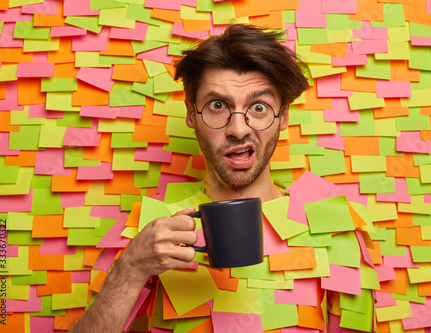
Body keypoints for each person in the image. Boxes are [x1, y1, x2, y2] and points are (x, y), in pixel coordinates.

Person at [70, 24, 372, 333]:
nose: (239, 129)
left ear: (283, 117)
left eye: (259, 107)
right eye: (217, 105)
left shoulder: (334, 229)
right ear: (191, 113)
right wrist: (130, 269)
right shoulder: (151, 231)